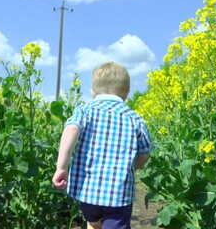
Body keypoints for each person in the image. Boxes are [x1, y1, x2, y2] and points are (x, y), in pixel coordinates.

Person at [52, 61, 153, 229]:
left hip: (87, 192)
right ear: (127, 92)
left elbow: (70, 131)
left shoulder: (84, 110)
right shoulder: (135, 118)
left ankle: (94, 223)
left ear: (92, 91)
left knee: (93, 220)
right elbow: (145, 152)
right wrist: (133, 167)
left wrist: (61, 167)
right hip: (118, 194)